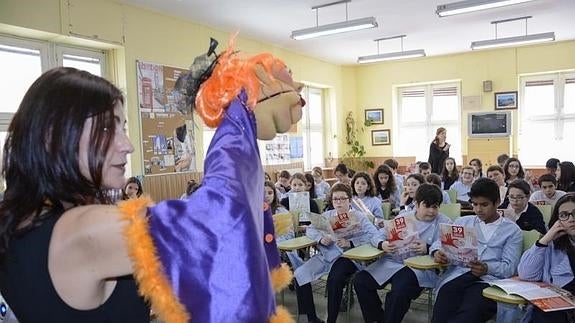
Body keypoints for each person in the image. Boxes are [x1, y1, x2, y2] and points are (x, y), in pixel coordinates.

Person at [0, 67, 150, 322]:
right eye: (106, 129)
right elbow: (211, 232)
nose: (128, 145)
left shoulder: (19, 218)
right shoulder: (83, 229)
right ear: (53, 137)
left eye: (123, 127)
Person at [354, 184, 452, 323]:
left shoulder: (444, 222)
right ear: (416, 204)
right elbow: (377, 235)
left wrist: (428, 247)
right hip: (392, 261)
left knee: (399, 291)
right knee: (360, 281)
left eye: (435, 207)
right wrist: (383, 244)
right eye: (427, 206)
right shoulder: (403, 217)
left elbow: (444, 245)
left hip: (418, 268)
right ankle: (377, 318)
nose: (431, 211)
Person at [430, 178, 523, 323]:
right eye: (475, 204)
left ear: (497, 202)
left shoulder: (512, 231)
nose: (478, 209)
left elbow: (510, 267)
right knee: (444, 300)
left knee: (471, 310)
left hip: (488, 282)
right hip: (459, 276)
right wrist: (437, 252)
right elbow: (438, 243)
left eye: (484, 205)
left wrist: (487, 268)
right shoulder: (463, 222)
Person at [293, 183, 378, 323]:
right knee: (299, 275)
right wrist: (320, 239)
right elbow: (310, 229)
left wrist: (351, 243)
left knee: (334, 279)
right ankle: (311, 318)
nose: (338, 202)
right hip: (326, 255)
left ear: (349, 200)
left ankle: (331, 320)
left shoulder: (359, 216)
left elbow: (374, 235)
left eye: (342, 199)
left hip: (347, 257)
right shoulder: (327, 215)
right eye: (335, 199)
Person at [518, 193, 575, 323]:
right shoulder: (553, 243)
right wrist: (545, 240)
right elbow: (526, 274)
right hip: (560, 307)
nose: (571, 219)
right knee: (543, 313)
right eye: (564, 215)